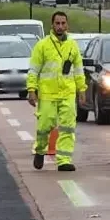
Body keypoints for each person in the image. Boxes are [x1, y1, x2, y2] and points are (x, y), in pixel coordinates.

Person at [26, 11, 86, 171]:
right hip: (47, 94)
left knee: (67, 127)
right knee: (44, 127)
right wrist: (31, 90)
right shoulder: (42, 46)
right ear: (52, 25)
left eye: (63, 23)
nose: (60, 26)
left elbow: (79, 70)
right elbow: (33, 71)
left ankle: (64, 160)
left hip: (68, 93)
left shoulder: (73, 45)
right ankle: (40, 150)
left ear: (67, 25)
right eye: (57, 23)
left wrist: (82, 90)